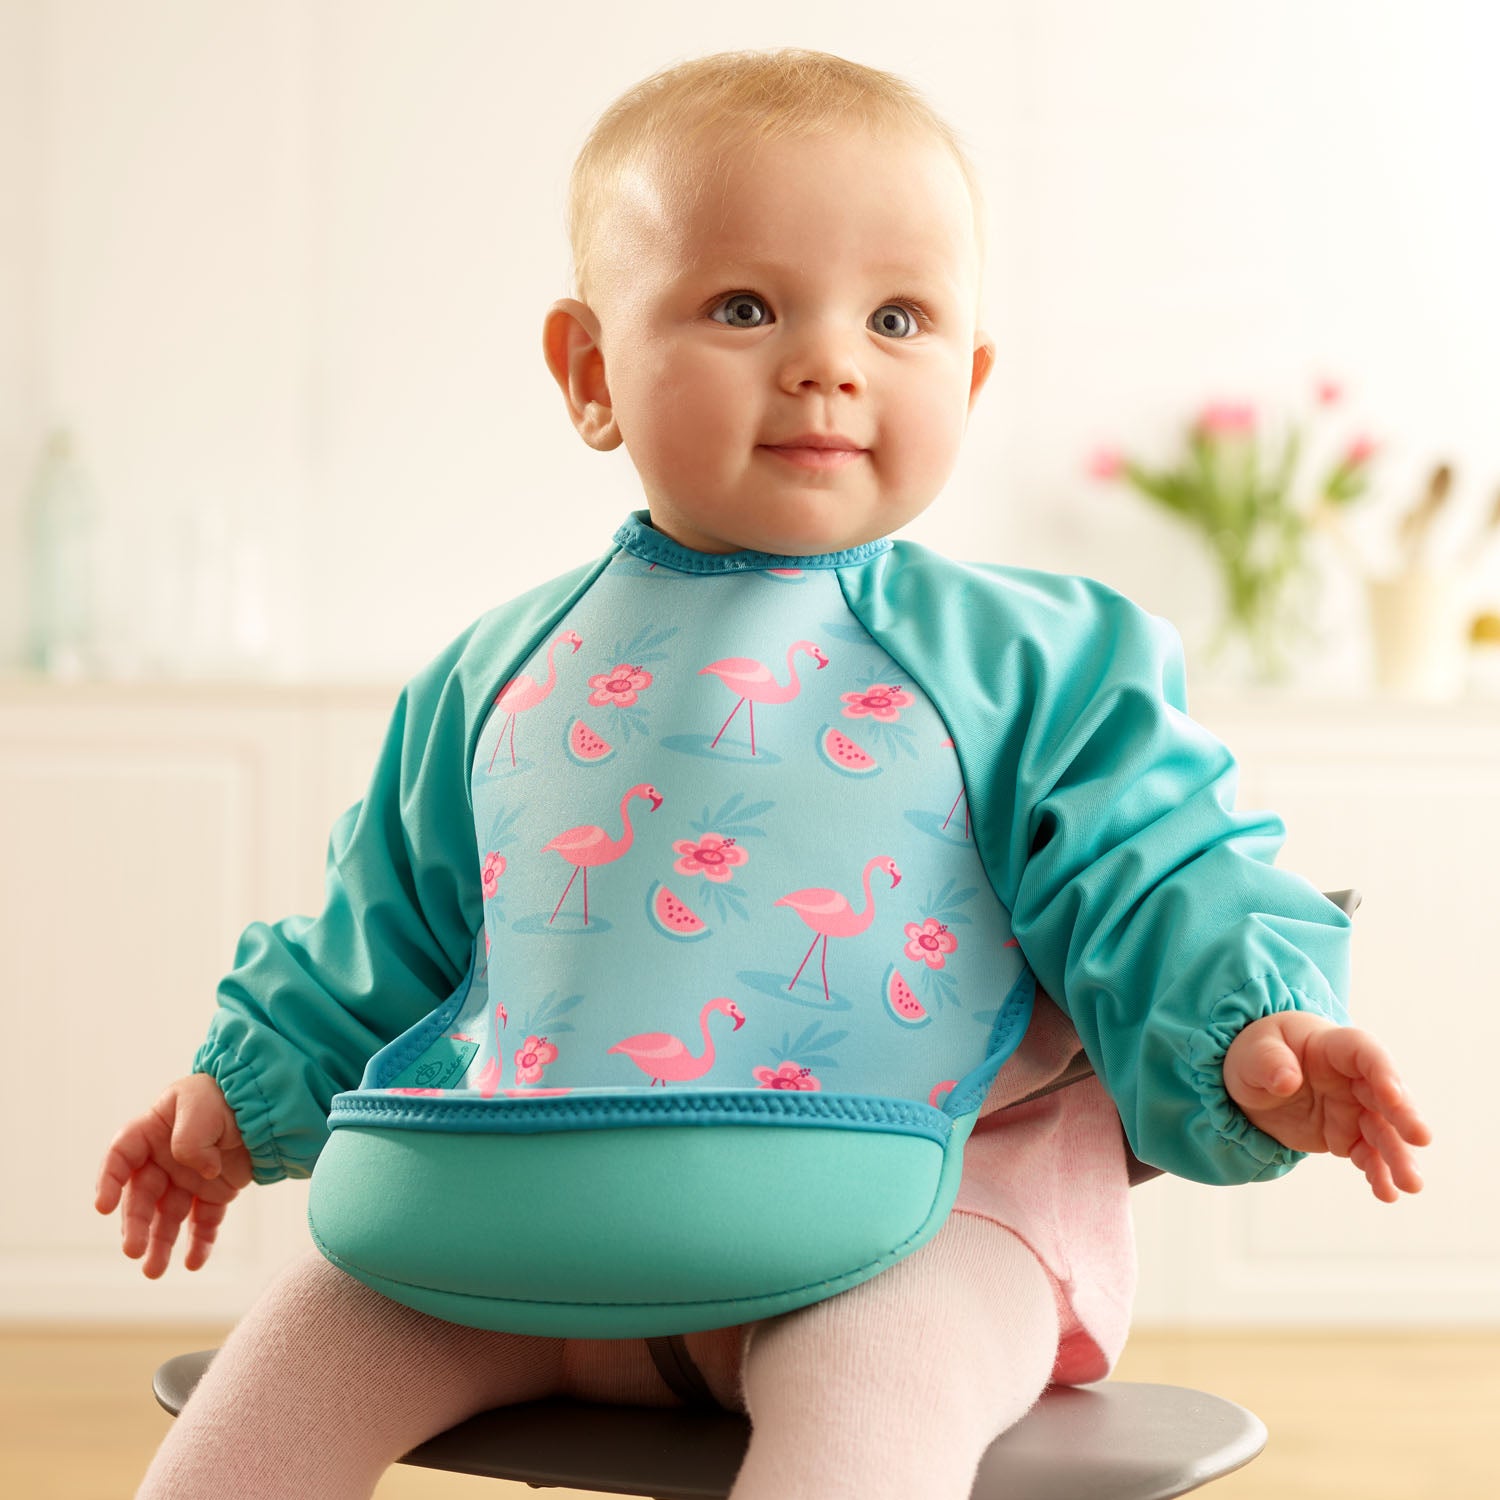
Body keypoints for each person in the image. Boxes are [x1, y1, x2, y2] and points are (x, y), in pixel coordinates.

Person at [98, 48, 1431, 1500]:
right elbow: (386, 934)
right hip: (525, 1215)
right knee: (272, 1383)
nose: (828, 360)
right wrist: (239, 1098)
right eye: (745, 306)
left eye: (900, 316)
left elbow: (1157, 873)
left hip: (918, 1222)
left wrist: (1247, 1033)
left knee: (875, 1402)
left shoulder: (1038, 659)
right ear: (591, 371)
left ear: (970, 377)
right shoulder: (494, 674)